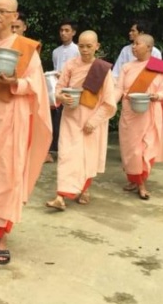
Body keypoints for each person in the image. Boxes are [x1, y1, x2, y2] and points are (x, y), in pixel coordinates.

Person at [0, 0, 52, 265]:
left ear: (15, 16)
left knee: (6, 174)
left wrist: (16, 81)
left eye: (3, 12)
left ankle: (1, 235)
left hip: (12, 116)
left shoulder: (26, 47)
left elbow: (37, 85)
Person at [45, 30, 116, 211]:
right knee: (67, 155)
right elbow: (58, 89)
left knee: (87, 157)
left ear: (97, 46)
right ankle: (61, 196)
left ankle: (84, 189)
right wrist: (62, 98)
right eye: (82, 46)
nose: (85, 50)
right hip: (71, 116)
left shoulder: (102, 70)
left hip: (92, 119)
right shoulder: (70, 65)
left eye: (89, 46)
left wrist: (94, 121)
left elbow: (109, 102)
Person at [114, 34, 163, 200]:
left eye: (137, 44)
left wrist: (156, 96)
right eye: (133, 44)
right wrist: (109, 104)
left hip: (150, 114)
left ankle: (141, 183)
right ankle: (133, 179)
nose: (133, 47)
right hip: (129, 114)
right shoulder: (126, 67)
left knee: (145, 149)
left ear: (148, 47)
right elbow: (118, 89)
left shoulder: (159, 67)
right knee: (131, 151)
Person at [49, 20, 80, 157]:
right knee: (56, 118)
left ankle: (70, 147)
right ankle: (57, 147)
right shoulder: (56, 52)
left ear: (73, 32)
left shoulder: (78, 50)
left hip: (72, 88)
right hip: (57, 88)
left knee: (69, 119)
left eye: (67, 30)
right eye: (61, 30)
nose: (63, 33)